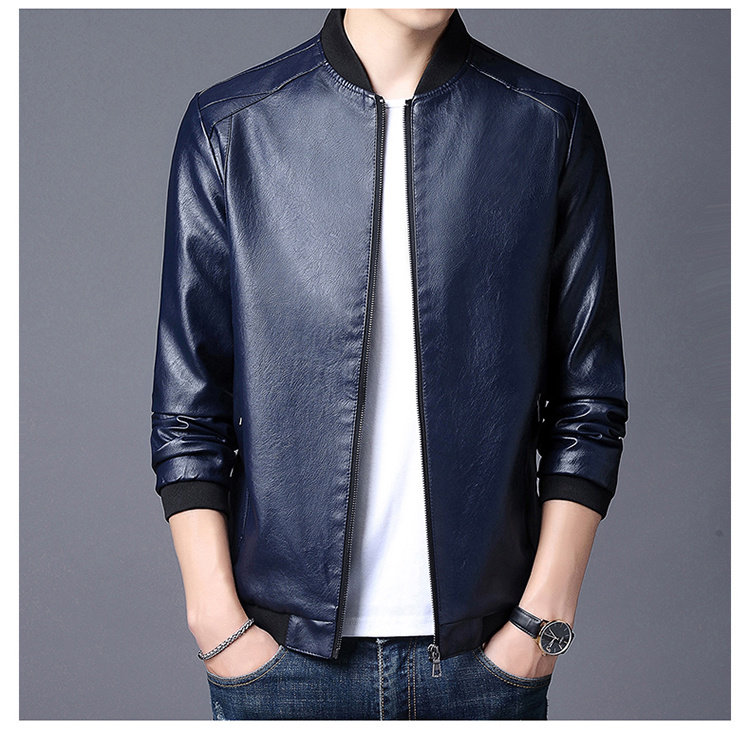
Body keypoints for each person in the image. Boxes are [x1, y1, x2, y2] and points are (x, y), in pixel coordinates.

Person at [150, 7, 628, 721]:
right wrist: (215, 620)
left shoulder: (547, 124)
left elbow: (589, 401)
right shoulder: (231, 128)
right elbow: (189, 409)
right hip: (281, 663)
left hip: (485, 661)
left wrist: (543, 621)